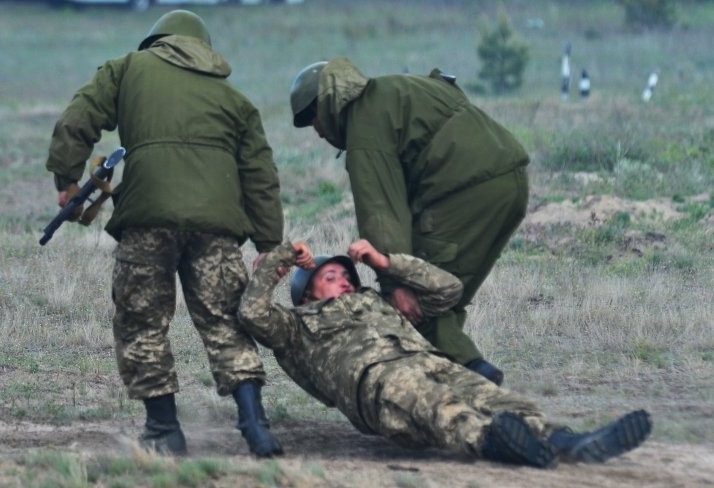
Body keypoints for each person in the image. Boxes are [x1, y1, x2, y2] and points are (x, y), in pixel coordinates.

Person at [44, 10, 284, 457]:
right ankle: (256, 426)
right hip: (216, 227)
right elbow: (261, 175)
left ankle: (163, 432)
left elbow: (76, 120)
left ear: (155, 41)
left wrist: (67, 181)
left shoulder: (127, 68)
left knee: (142, 322)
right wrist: (269, 244)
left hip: (147, 217)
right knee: (227, 320)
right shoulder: (235, 98)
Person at [237, 240, 651, 467]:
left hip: (430, 362)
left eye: (348, 276)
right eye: (331, 277)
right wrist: (278, 259)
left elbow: (448, 289)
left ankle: (566, 441)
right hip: (378, 384)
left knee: (496, 397)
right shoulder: (295, 328)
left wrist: (386, 262)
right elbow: (251, 313)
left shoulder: (378, 303)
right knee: (437, 402)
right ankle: (493, 441)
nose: (345, 281)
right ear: (307, 292)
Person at [288, 58, 533, 385]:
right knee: (441, 294)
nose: (317, 131)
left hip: (467, 192)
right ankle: (460, 380)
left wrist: (396, 284)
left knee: (416, 300)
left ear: (326, 104)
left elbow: (381, 214)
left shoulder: (364, 126)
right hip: (510, 181)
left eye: (312, 119)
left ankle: (471, 381)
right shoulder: (394, 89)